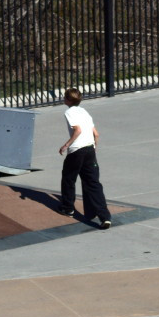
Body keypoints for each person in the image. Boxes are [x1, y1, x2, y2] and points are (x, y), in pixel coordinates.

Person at [58, 88, 111, 229]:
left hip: (77, 150)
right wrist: (93, 149)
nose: (64, 99)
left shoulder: (69, 112)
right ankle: (104, 216)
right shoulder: (85, 112)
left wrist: (66, 145)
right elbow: (96, 134)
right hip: (89, 149)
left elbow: (78, 130)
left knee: (68, 178)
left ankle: (68, 208)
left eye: (65, 97)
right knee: (93, 183)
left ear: (68, 100)